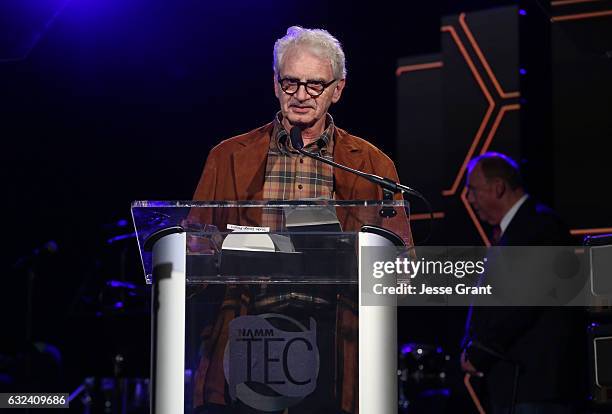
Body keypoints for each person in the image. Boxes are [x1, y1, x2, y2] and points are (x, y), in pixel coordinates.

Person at [190, 26, 412, 413]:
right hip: (247, 326)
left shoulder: (373, 165)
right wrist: (222, 247)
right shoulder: (228, 157)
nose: (302, 96)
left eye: (315, 85)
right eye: (291, 83)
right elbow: (194, 247)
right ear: (275, 85)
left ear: (337, 89)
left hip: (334, 333)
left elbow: (400, 268)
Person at [460, 152, 585, 414]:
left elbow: (520, 303)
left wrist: (479, 351)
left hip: (538, 390)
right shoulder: (520, 230)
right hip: (519, 388)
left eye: (472, 190)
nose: (469, 199)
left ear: (498, 188)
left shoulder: (540, 227)